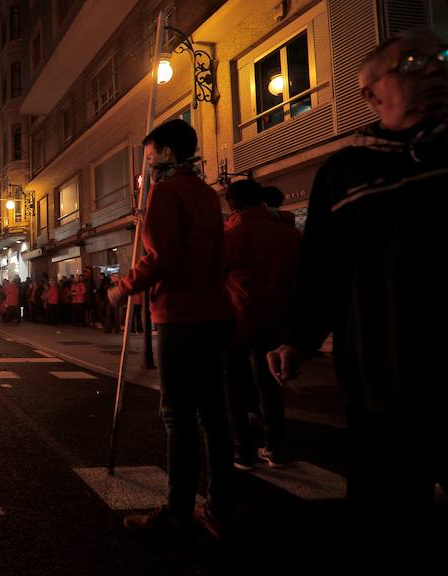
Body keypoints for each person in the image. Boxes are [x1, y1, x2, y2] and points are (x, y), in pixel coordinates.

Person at [267, 31, 448, 563]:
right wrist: (298, 340)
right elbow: (322, 265)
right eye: (412, 63)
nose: (432, 69)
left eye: (439, 57)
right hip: (381, 369)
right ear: (371, 93)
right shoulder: (347, 172)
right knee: (385, 515)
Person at [108, 119, 234, 539]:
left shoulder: (167, 193)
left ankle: (179, 511)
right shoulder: (205, 193)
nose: (146, 164)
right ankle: (220, 508)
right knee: (215, 417)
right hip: (216, 314)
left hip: (180, 318)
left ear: (166, 153)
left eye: (149, 155)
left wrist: (122, 288)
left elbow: (162, 257)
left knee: (178, 416)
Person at [222, 179, 301, 470]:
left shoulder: (232, 237)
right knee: (269, 383)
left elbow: (213, 276)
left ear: (231, 205)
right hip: (279, 319)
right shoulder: (289, 234)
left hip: (239, 319)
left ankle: (242, 449)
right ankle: (275, 447)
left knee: (233, 385)